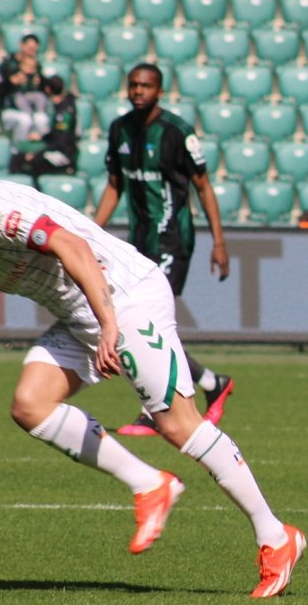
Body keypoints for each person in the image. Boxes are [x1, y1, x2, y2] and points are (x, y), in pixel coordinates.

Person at [0, 159, 306, 597]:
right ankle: (150, 484)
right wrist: (97, 325)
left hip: (124, 298)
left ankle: (275, 536)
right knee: (30, 405)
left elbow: (72, 246)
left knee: (179, 425)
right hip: (83, 318)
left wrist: (110, 324)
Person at [93, 64, 236, 438]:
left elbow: (203, 187)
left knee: (149, 324)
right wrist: (91, 233)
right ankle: (212, 383)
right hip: (138, 244)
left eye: (146, 85)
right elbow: (114, 185)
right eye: (133, 85)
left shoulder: (177, 132)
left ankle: (152, 412)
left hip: (173, 238)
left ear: (159, 91)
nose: (138, 91)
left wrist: (219, 242)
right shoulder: (120, 130)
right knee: (134, 323)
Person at [10, 74, 78, 179]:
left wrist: (39, 153)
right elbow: (56, 134)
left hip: (65, 155)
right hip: (57, 148)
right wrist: (42, 137)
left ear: (47, 89)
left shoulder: (63, 112)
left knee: (34, 160)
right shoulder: (61, 107)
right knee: (19, 157)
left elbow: (61, 141)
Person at [0, 34, 50, 143]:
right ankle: (20, 149)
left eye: (34, 50)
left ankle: (40, 149)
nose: (32, 52)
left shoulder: (36, 65)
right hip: (11, 109)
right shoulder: (7, 65)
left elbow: (45, 91)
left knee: (41, 119)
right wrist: (10, 83)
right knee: (25, 120)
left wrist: (40, 82)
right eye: (29, 48)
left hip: (32, 108)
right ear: (22, 46)